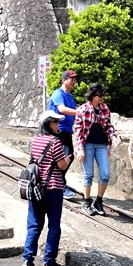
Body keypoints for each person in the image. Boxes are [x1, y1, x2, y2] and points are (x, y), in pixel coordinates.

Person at [22, 110, 72, 266]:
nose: (58, 125)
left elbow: (33, 161)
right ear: (48, 123)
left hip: (36, 188)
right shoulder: (55, 142)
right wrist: (68, 158)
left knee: (34, 225)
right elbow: (61, 165)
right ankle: (49, 261)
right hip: (53, 188)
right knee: (54, 225)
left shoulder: (35, 140)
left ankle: (28, 259)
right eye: (55, 122)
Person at [72, 83, 118, 217]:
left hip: (102, 145)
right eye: (99, 95)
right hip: (87, 145)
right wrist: (80, 149)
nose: (102, 98)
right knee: (89, 175)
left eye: (103, 95)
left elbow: (108, 126)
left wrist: (113, 137)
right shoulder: (83, 109)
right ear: (92, 96)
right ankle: (86, 201)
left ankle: (98, 201)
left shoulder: (104, 108)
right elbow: (78, 131)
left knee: (105, 175)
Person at [48, 69, 79, 199]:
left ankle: (59, 181)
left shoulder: (71, 97)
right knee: (61, 158)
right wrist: (79, 112)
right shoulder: (58, 93)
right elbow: (62, 109)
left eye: (74, 79)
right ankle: (58, 183)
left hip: (66, 132)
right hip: (57, 131)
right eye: (71, 79)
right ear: (64, 80)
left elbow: (72, 114)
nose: (73, 82)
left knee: (69, 156)